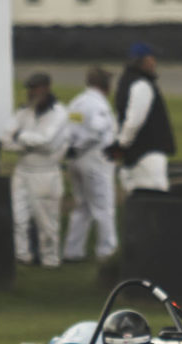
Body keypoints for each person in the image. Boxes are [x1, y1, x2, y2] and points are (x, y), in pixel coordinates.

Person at [2, 73, 69, 268]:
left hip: (45, 171)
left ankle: (50, 259)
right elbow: (6, 140)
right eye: (30, 88)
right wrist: (28, 143)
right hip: (23, 169)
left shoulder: (59, 113)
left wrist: (20, 137)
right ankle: (22, 256)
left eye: (35, 88)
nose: (31, 92)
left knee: (46, 221)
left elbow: (47, 141)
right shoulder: (24, 112)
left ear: (46, 88)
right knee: (18, 216)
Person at [62, 66, 118, 263]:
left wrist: (72, 147)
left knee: (82, 206)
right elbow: (96, 131)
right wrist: (80, 146)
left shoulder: (77, 102)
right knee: (104, 206)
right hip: (94, 158)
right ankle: (107, 252)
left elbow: (68, 128)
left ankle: (73, 250)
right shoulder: (98, 105)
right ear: (105, 84)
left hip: (75, 159)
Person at [108, 42, 176, 194]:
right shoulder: (141, 84)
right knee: (154, 195)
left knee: (138, 194)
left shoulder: (126, 82)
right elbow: (134, 120)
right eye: (151, 58)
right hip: (147, 153)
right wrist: (122, 143)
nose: (154, 62)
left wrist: (120, 143)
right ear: (144, 61)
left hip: (134, 154)